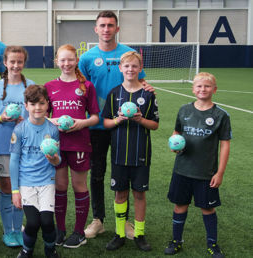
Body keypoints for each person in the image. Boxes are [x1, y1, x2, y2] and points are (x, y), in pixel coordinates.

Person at [79, 10, 149, 239]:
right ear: (96, 29)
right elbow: (81, 88)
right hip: (97, 125)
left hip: (124, 127)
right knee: (97, 173)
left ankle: (125, 220)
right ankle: (98, 219)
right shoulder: (87, 58)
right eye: (103, 25)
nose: (107, 29)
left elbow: (141, 80)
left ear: (117, 29)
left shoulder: (128, 54)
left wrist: (147, 87)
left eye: (111, 25)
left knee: (124, 175)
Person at [164, 72, 231, 258]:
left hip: (206, 172)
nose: (203, 89)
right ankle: (176, 241)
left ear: (214, 90)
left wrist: (220, 172)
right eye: (199, 86)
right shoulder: (184, 110)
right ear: (193, 89)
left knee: (207, 208)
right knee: (179, 206)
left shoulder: (220, 115)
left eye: (207, 86)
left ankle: (213, 245)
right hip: (182, 169)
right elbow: (177, 131)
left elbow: (225, 144)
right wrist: (173, 141)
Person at [101, 51, 159, 252]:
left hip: (140, 154)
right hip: (119, 155)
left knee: (140, 195)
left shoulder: (149, 94)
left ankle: (139, 234)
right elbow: (106, 122)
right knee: (120, 194)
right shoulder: (114, 93)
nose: (130, 70)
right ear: (120, 69)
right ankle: (119, 234)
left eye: (134, 66)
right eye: (126, 66)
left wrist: (140, 119)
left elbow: (155, 125)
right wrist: (119, 119)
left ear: (140, 68)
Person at [44, 44, 100, 248]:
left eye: (70, 59)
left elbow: (95, 116)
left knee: (78, 185)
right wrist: (53, 121)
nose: (66, 63)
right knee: (60, 186)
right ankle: (60, 230)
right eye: (62, 60)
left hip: (79, 142)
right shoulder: (49, 86)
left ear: (76, 60)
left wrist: (81, 123)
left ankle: (79, 232)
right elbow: (42, 115)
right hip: (56, 145)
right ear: (56, 62)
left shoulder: (87, 86)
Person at [0, 46, 35, 247]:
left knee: (21, 186)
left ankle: (18, 228)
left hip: (25, 144)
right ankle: (9, 231)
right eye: (12, 61)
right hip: (2, 143)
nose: (16, 65)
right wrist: (0, 117)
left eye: (19, 62)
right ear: (5, 63)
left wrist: (26, 120)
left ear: (24, 63)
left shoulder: (30, 86)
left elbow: (39, 112)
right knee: (6, 186)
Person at [10, 85, 61, 258]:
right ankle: (27, 250)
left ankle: (50, 249)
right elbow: (14, 161)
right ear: (26, 106)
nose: (37, 107)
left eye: (41, 103)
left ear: (47, 104)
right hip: (26, 183)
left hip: (47, 181)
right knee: (32, 222)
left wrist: (53, 159)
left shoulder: (52, 130)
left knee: (47, 222)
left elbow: (58, 159)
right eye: (33, 104)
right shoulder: (19, 130)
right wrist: (15, 191)